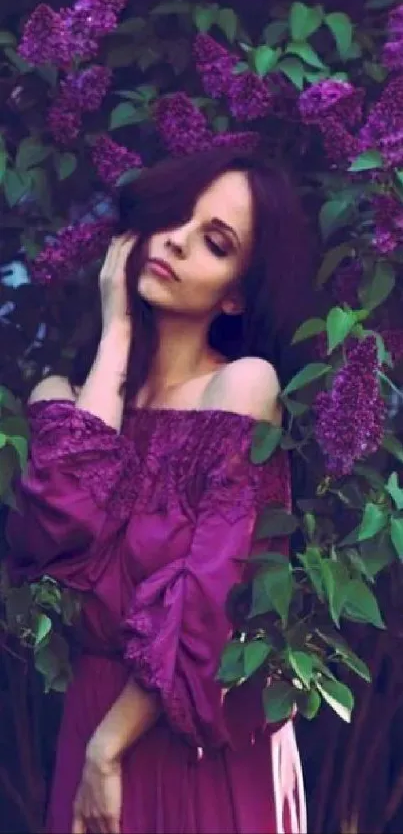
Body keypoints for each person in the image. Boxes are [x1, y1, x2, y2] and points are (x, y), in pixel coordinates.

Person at [7, 146, 309, 834]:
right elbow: (59, 535)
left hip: (192, 738)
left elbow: (211, 600)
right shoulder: (60, 402)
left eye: (214, 241)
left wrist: (106, 749)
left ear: (235, 290)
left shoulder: (242, 386)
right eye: (174, 215)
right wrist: (116, 328)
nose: (175, 239)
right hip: (92, 721)